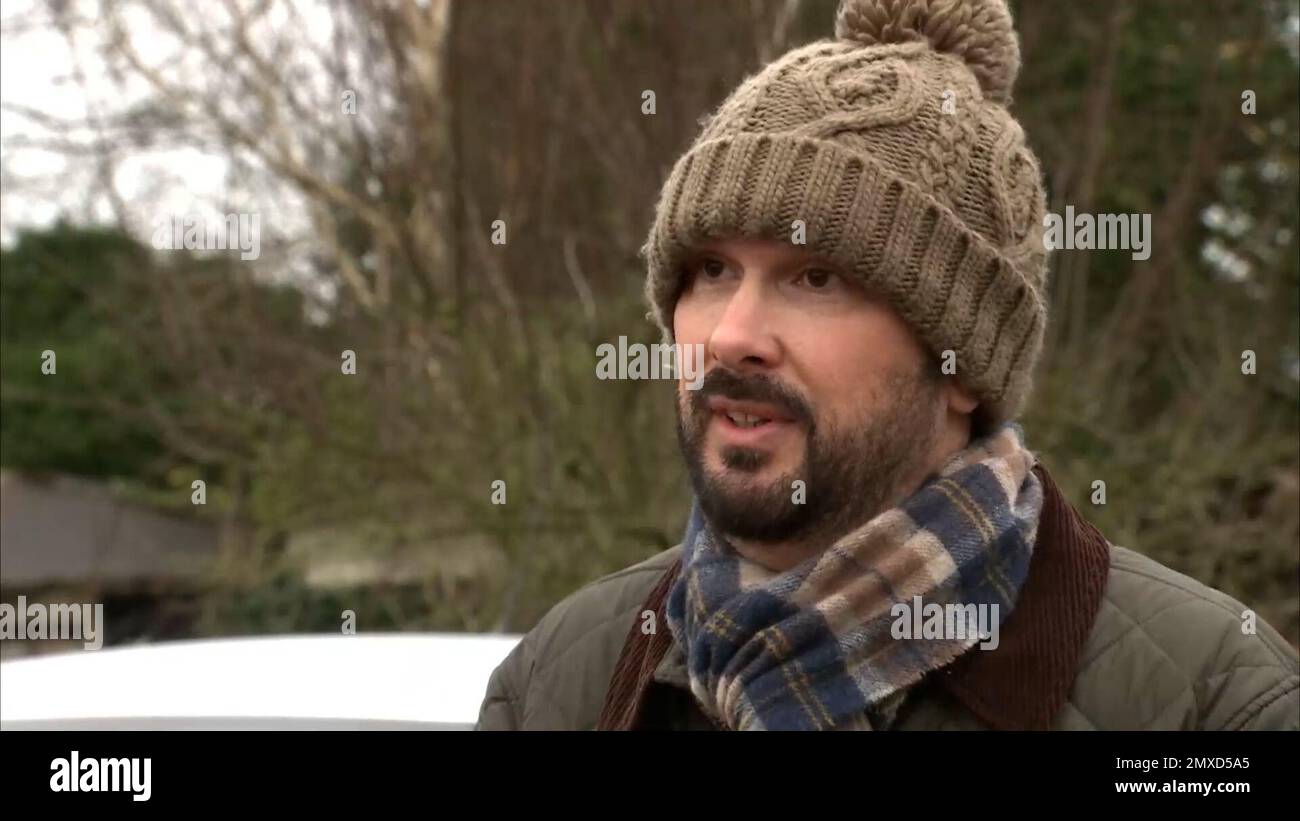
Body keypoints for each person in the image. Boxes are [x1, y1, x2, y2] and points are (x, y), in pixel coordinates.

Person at [474, 0, 1299, 731]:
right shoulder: (558, 684)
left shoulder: (1215, 703)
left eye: (816, 277)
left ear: (963, 362)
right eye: (711, 271)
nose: (730, 336)